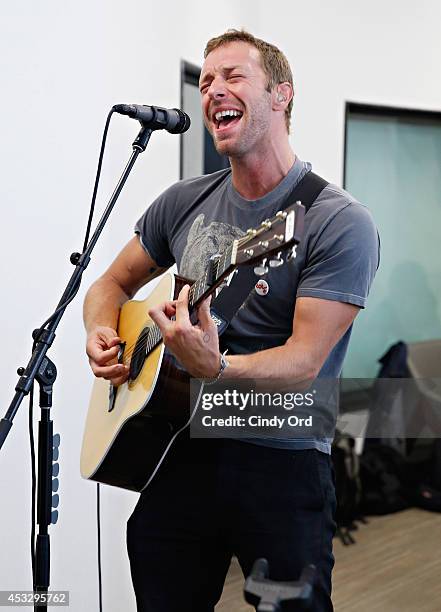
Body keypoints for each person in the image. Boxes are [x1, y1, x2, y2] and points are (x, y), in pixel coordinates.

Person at [83, 29, 379, 612]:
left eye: (234, 76)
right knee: (153, 563)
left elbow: (303, 362)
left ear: (282, 95)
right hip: (185, 446)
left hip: (286, 461)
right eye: (208, 80)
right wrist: (100, 329)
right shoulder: (184, 201)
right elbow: (109, 284)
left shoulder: (336, 221)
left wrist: (215, 366)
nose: (214, 88)